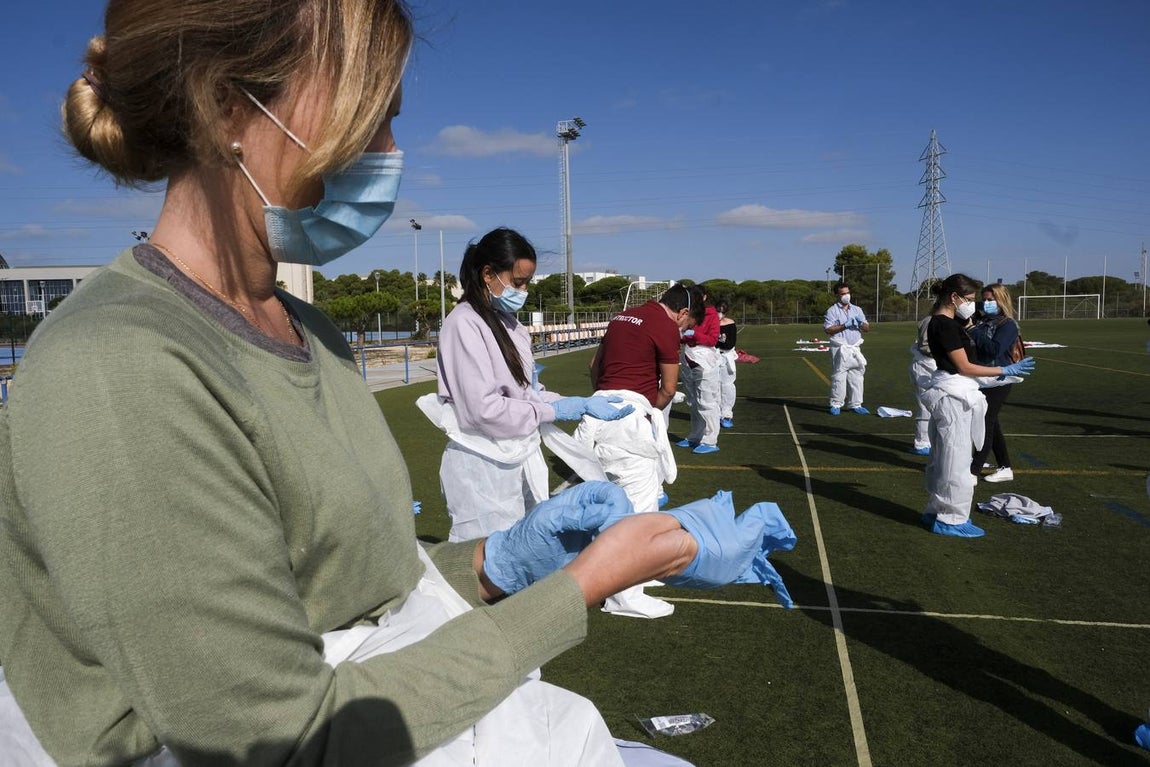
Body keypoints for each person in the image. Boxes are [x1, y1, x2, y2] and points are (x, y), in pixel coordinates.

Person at [0, 3, 791, 764]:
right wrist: (584, 585)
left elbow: (351, 594)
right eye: (368, 113)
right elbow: (275, 741)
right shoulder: (121, 365)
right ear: (222, 105)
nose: (386, 151)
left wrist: (499, 563)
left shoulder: (312, 333)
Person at [421, 227, 631, 542]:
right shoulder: (464, 324)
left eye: (527, 282)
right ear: (488, 274)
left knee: (525, 547)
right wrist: (550, 411)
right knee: (485, 556)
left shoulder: (512, 326)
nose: (524, 290)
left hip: (516, 453)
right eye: (518, 282)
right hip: (484, 462)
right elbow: (483, 410)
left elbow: (527, 390)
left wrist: (576, 403)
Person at [574, 284, 703, 619]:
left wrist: (607, 400)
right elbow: (669, 389)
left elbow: (593, 366)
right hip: (629, 424)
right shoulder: (664, 327)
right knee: (638, 510)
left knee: (608, 503)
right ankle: (623, 594)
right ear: (683, 313)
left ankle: (618, 574)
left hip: (598, 413)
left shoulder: (620, 318)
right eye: (686, 326)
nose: (683, 330)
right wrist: (645, 410)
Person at [921, 274, 1036, 538]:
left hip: (952, 391)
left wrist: (999, 374)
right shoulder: (945, 326)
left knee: (944, 458)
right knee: (957, 461)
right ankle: (951, 518)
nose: (973, 304)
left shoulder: (946, 322)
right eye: (970, 299)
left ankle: (935, 511)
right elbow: (964, 367)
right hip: (954, 398)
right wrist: (1003, 369)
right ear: (954, 297)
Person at [969, 283, 1022, 483]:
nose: (987, 303)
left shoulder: (1008, 325)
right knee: (992, 423)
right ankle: (1005, 467)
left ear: (1001, 300)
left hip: (999, 379)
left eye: (991, 300)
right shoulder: (983, 321)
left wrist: (972, 330)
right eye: (985, 299)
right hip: (982, 377)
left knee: (985, 422)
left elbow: (994, 350)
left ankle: (973, 470)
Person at [676, 283, 722, 453]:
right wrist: (681, 335)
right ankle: (695, 436)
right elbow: (680, 335)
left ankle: (710, 440)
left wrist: (694, 335)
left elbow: (712, 340)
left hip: (705, 360)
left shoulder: (711, 314)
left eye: (696, 296)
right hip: (688, 358)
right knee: (693, 401)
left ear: (704, 297)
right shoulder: (687, 313)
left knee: (706, 401)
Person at [823, 282, 870, 415]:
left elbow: (867, 328)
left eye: (847, 293)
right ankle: (836, 404)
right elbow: (828, 329)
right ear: (837, 295)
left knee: (857, 376)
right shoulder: (832, 310)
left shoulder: (857, 309)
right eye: (843, 293)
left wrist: (861, 323)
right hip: (840, 348)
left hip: (855, 348)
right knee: (839, 376)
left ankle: (856, 404)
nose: (846, 296)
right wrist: (845, 325)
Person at [908, 314, 936, 455]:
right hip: (925, 367)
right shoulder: (930, 320)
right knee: (925, 406)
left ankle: (933, 440)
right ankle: (922, 442)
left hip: (939, 367)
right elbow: (925, 346)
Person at [715, 300, 738, 429]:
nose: (720, 314)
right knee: (714, 386)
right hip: (713, 356)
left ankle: (727, 414)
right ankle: (716, 414)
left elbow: (729, 344)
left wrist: (719, 341)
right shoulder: (711, 323)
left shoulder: (730, 324)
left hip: (726, 357)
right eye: (718, 311)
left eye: (722, 312)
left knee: (727, 386)